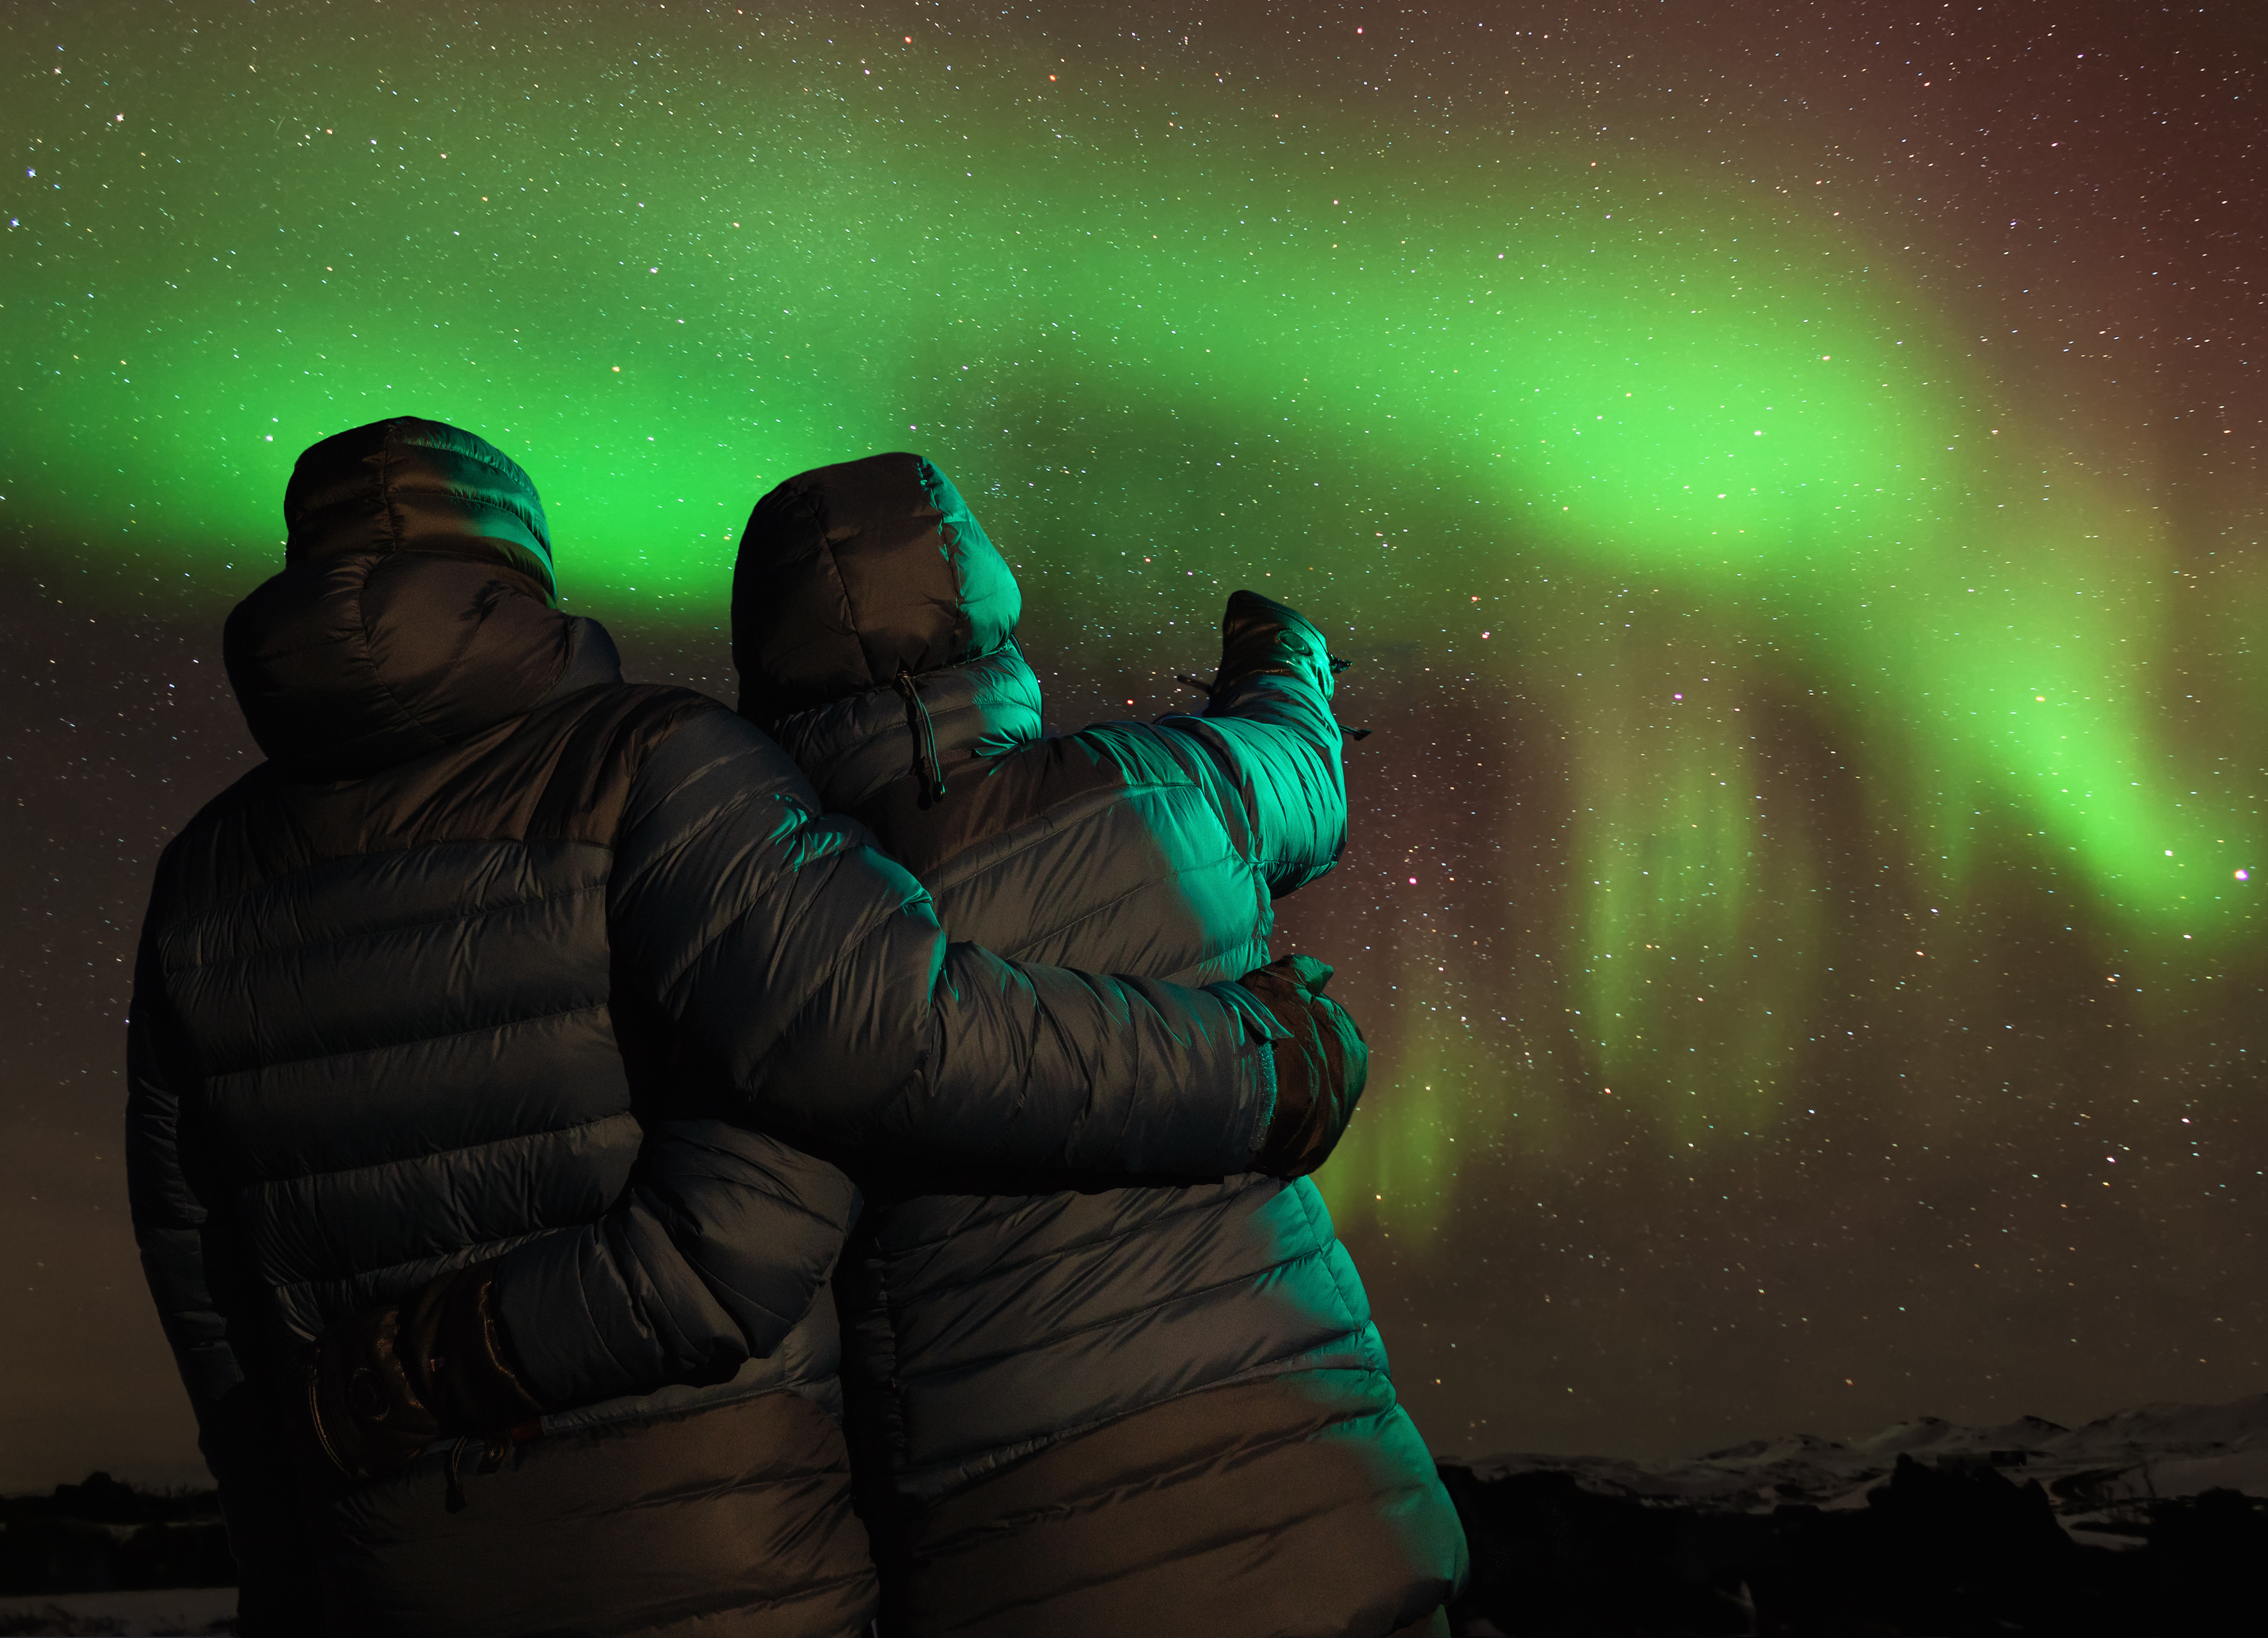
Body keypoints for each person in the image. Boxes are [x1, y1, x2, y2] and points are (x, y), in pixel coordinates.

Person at [124, 418, 1368, 1638]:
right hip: (716, 1554)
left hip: (387, 1568)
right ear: (514, 568)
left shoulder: (201, 877)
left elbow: (201, 1268)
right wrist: (1260, 1062)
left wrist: (292, 1556)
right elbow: (875, 1060)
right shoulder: (654, 761)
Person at [730, 452, 1467, 1638]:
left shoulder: (780, 931)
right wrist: (1282, 657)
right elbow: (1304, 769)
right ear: (982, 599)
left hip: (1026, 1549)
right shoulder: (1171, 786)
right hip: (1326, 1477)